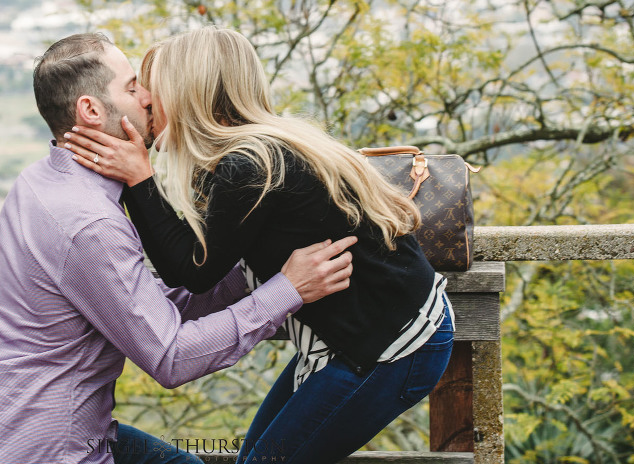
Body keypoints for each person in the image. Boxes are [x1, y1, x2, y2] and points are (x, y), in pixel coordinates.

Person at [0, 32, 356, 464]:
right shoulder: (91, 225)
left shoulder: (36, 183)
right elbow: (171, 356)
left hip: (0, 425)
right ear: (90, 110)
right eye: (131, 87)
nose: (148, 97)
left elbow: (143, 306)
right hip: (49, 449)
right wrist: (286, 290)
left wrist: (250, 263)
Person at [64, 27, 455, 463]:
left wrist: (139, 180)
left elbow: (193, 271)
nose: (146, 105)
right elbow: (207, 251)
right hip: (359, 336)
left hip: (391, 347)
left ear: (190, 94)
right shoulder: (261, 147)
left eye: (154, 95)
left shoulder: (249, 166)